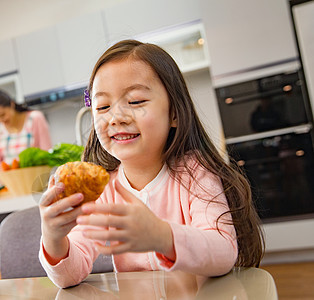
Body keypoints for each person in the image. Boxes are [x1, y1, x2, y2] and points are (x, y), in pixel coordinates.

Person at [38, 40, 264, 288]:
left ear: (174, 113)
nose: (116, 118)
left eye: (135, 101)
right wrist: (54, 238)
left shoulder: (196, 173)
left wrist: (162, 237)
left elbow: (223, 253)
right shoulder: (103, 190)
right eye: (103, 106)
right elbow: (69, 276)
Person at [0, 90, 52, 171]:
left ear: (12, 104)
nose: (0, 120)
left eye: (2, 115)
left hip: (36, 177)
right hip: (10, 181)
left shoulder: (35, 118)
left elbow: (46, 154)